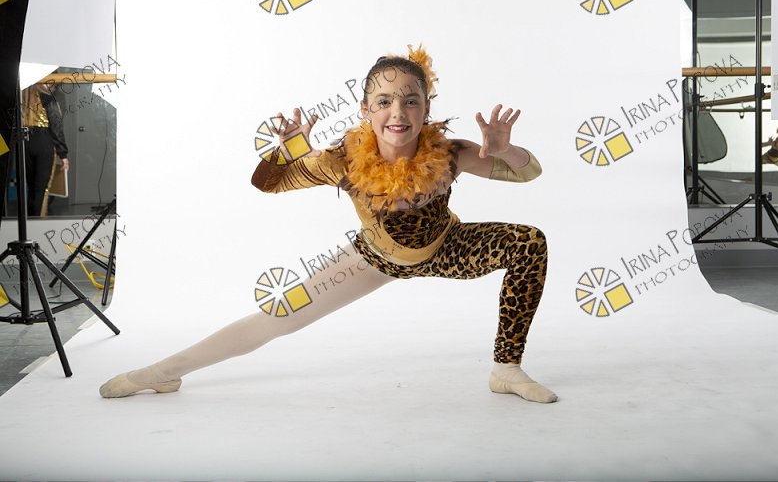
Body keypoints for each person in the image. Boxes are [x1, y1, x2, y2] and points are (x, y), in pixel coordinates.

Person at [100, 44, 556, 403]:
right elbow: (267, 184)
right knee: (277, 319)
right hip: (373, 259)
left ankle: (506, 369)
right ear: (365, 110)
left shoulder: (451, 153)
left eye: (410, 101)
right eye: (384, 101)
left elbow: (528, 172)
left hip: (448, 246)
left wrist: (504, 151)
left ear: (425, 108)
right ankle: (161, 372)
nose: (398, 113)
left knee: (529, 242)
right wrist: (287, 153)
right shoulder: (341, 161)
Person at [20, 81, 69, 216]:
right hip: (44, 140)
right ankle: (37, 222)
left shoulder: (22, 94)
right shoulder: (46, 96)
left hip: (24, 142)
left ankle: (29, 222)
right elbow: (56, 124)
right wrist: (63, 154)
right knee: (41, 189)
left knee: (31, 187)